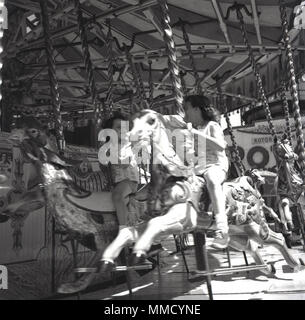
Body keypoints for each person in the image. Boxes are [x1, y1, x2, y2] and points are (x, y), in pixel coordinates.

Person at [184, 95, 230, 249]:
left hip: (215, 166)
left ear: (197, 109)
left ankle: (222, 227)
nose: (186, 114)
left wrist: (197, 135)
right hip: (199, 169)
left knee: (211, 178)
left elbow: (220, 146)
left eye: (187, 109)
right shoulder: (194, 130)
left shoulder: (212, 125)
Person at [103, 112, 139, 231]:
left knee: (117, 196)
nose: (122, 130)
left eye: (123, 128)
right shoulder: (110, 146)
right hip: (118, 181)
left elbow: (124, 164)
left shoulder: (125, 145)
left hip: (128, 180)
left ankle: (124, 229)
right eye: (118, 127)